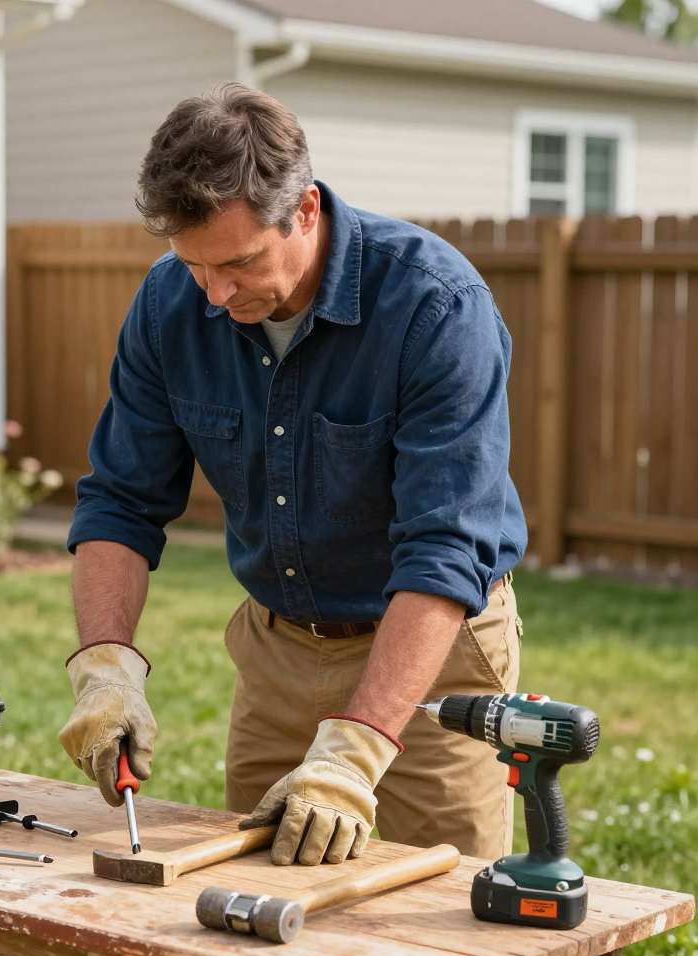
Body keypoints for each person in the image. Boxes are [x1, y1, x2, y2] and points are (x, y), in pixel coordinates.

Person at [58, 84, 528, 867]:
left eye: (239, 262)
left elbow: (445, 547)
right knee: (256, 924)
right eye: (196, 265)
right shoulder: (170, 303)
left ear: (305, 210)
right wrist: (104, 667)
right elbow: (119, 501)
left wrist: (360, 747)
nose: (215, 293)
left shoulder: (435, 306)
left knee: (443, 930)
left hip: (429, 662)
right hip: (276, 657)